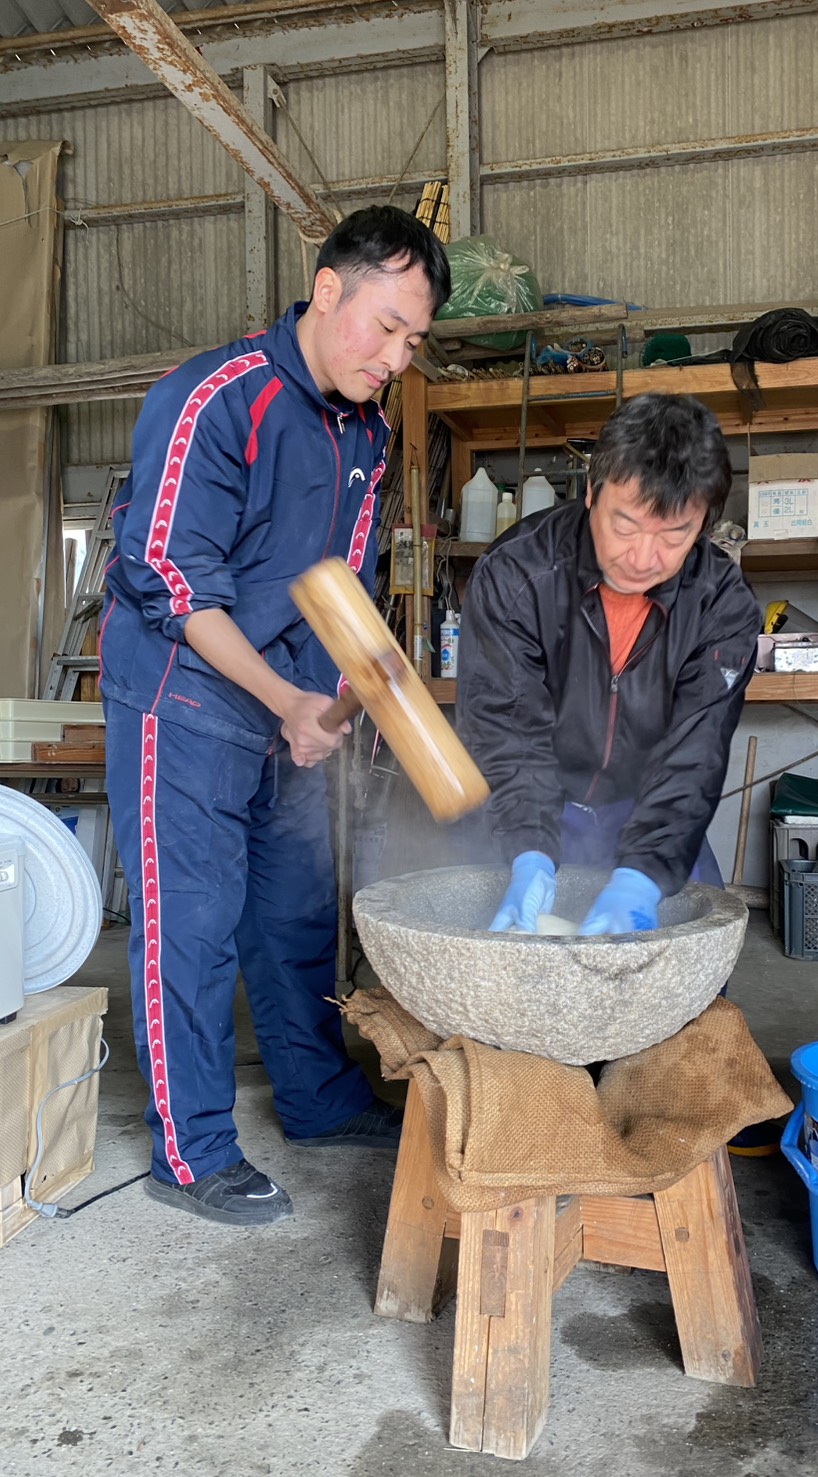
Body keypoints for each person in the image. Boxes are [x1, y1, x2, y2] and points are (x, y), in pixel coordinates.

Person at [100, 206, 451, 1226]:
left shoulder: (365, 430)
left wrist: (344, 696)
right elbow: (173, 582)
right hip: (184, 696)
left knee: (296, 909)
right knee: (192, 923)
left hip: (292, 703)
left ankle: (316, 1099)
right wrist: (287, 698)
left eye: (415, 341)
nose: (396, 358)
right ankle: (193, 1151)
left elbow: (341, 583)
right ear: (329, 289)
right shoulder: (215, 398)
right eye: (386, 327)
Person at [456, 392, 760, 936]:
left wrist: (641, 877)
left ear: (703, 524)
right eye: (625, 526)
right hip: (537, 801)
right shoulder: (517, 574)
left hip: (651, 808)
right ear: (592, 492)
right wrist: (528, 850)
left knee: (686, 962)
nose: (643, 558)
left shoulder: (721, 603)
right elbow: (507, 730)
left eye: (674, 535)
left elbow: (696, 752)